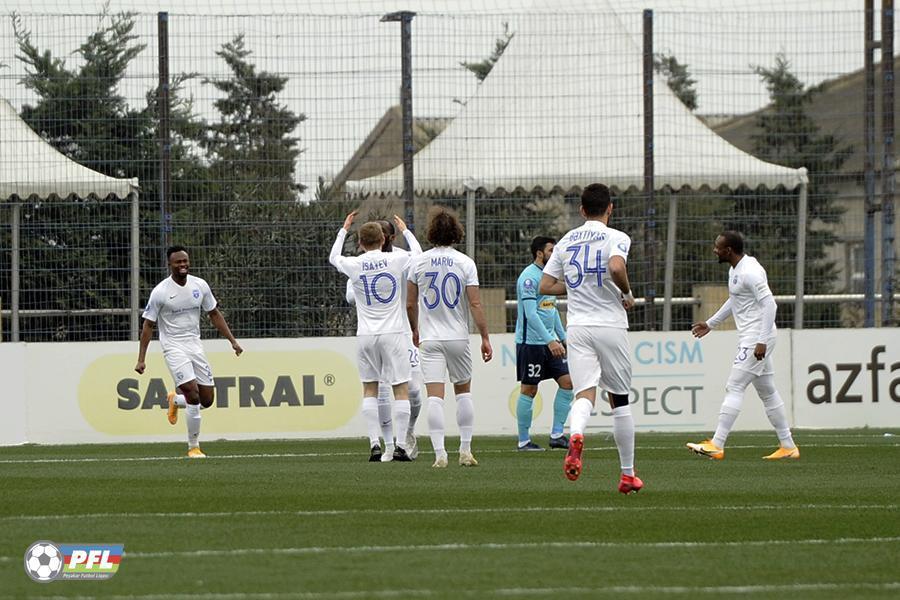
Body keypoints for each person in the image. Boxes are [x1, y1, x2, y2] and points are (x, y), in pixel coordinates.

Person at [539, 183, 642, 494]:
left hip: (578, 327)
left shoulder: (566, 240)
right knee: (619, 400)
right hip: (609, 325)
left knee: (584, 393)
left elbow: (545, 285)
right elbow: (616, 266)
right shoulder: (617, 237)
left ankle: (576, 434)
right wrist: (627, 293)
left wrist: (576, 285)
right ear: (610, 208)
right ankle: (627, 475)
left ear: (582, 210)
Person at [686, 231, 799, 461]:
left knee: (734, 386)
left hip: (756, 338)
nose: (714, 250)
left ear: (728, 250)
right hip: (753, 337)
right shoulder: (735, 270)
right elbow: (735, 300)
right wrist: (710, 323)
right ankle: (788, 446)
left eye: (717, 247)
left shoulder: (750, 273)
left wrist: (762, 341)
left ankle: (717, 444)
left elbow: (770, 306)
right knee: (767, 391)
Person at [135, 245, 243, 458]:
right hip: (173, 347)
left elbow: (214, 314)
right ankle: (193, 446)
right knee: (193, 394)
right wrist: (141, 359)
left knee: (207, 400)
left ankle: (175, 400)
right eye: (178, 262)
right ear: (170, 264)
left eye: (185, 261)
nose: (183, 265)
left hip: (195, 345)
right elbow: (148, 325)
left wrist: (232, 341)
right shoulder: (160, 292)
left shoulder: (199, 285)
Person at [407, 206, 493, 468]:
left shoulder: (418, 262)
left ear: (431, 232)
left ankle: (439, 454)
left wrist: (415, 329)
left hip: (430, 339)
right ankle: (465, 450)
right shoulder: (465, 262)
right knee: (463, 393)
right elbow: (475, 304)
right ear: (456, 232)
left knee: (435, 397)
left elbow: (410, 304)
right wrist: (485, 337)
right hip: (457, 337)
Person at [330, 211, 414, 462]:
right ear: (383, 239)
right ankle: (401, 446)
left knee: (370, 388)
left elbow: (333, 257)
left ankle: (375, 444)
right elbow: (419, 255)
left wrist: (343, 229)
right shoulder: (396, 259)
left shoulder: (355, 264)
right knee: (400, 389)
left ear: (360, 243)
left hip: (366, 335)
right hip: (393, 333)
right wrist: (406, 231)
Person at [514, 236, 573, 451]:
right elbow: (531, 314)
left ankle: (557, 435)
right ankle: (523, 441)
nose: (554, 254)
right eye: (551, 250)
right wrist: (549, 341)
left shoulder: (550, 277)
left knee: (567, 383)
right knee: (529, 389)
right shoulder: (528, 278)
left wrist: (562, 337)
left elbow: (551, 309)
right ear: (539, 253)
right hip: (531, 344)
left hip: (551, 342)